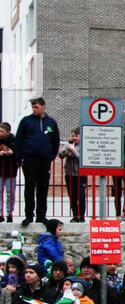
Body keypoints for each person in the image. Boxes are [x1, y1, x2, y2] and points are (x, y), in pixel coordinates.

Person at [14, 97, 60, 227]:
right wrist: (19, 158)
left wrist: (51, 155)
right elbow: (19, 140)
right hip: (29, 159)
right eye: (33, 107)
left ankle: (41, 216)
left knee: (43, 188)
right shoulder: (26, 121)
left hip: (44, 160)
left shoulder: (51, 122)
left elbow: (55, 140)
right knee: (29, 187)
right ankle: (29, 215)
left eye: (36, 107)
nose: (34, 109)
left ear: (43, 106)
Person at [59, 129, 86, 221]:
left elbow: (83, 159)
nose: (74, 138)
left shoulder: (83, 145)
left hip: (80, 174)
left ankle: (82, 216)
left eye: (76, 136)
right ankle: (75, 216)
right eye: (73, 135)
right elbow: (61, 155)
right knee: (72, 196)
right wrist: (67, 151)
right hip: (69, 174)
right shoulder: (68, 145)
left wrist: (74, 151)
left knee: (81, 196)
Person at [0, 121, 21, 222]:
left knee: (10, 193)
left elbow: (17, 153)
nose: (0, 133)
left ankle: (10, 213)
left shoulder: (14, 140)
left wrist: (11, 153)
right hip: (0, 170)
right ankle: (0, 213)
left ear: (8, 132)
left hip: (11, 171)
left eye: (2, 131)